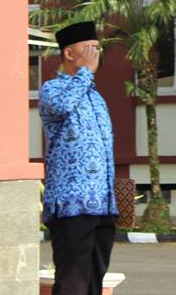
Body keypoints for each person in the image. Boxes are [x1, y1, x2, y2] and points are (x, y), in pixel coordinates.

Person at [39, 21, 118, 295]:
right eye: (89, 48)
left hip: (102, 204)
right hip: (71, 204)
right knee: (73, 282)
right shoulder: (52, 90)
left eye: (97, 49)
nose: (95, 55)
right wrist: (85, 74)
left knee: (95, 280)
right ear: (69, 54)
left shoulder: (96, 97)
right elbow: (61, 107)